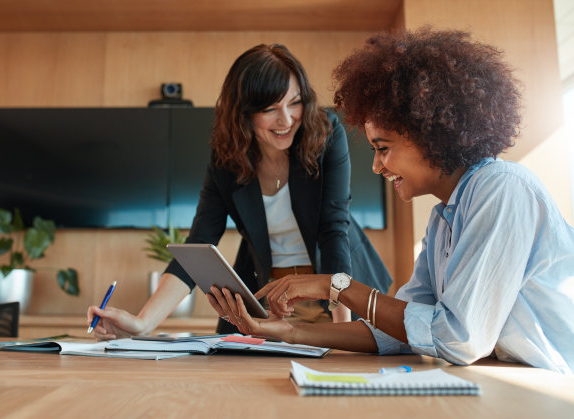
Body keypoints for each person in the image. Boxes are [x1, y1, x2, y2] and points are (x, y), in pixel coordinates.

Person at [208, 28, 574, 375]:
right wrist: (288, 333)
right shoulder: (443, 219)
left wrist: (335, 286)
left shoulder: (502, 189)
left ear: (431, 134)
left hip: (552, 382)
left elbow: (458, 338)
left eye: (383, 149)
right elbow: (401, 331)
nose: (377, 165)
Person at [87, 43, 391, 338]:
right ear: (244, 113)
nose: (286, 120)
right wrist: (142, 323)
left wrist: (341, 332)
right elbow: (199, 244)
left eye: (294, 102)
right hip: (270, 303)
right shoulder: (227, 159)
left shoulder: (325, 134)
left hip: (339, 296)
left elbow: (333, 228)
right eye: (270, 109)